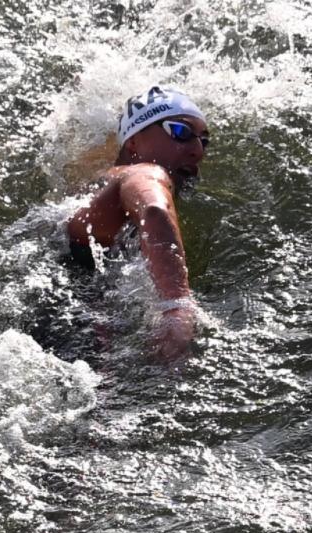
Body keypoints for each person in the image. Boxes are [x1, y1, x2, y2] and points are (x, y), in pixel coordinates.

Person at [61, 85, 210, 363]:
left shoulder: (93, 188)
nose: (197, 150)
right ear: (133, 142)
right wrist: (177, 307)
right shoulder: (143, 172)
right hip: (70, 313)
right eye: (181, 132)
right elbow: (154, 209)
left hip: (67, 305)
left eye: (204, 141)